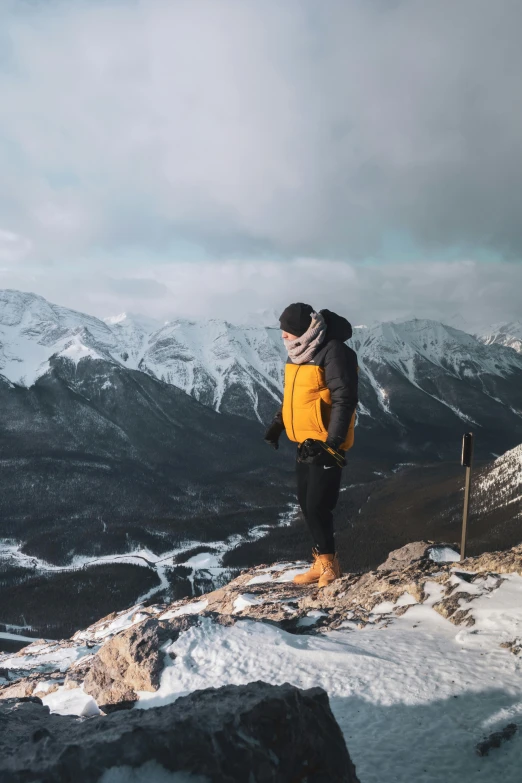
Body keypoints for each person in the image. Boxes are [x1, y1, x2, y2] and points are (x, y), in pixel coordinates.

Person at [264, 303, 358, 587]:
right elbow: (296, 398)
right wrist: (278, 425)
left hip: (326, 444)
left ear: (304, 331)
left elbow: (345, 399)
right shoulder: (299, 354)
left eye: (288, 331)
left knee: (319, 505)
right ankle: (320, 560)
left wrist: (333, 444)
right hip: (304, 443)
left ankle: (330, 566)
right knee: (306, 504)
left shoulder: (334, 351)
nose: (283, 337)